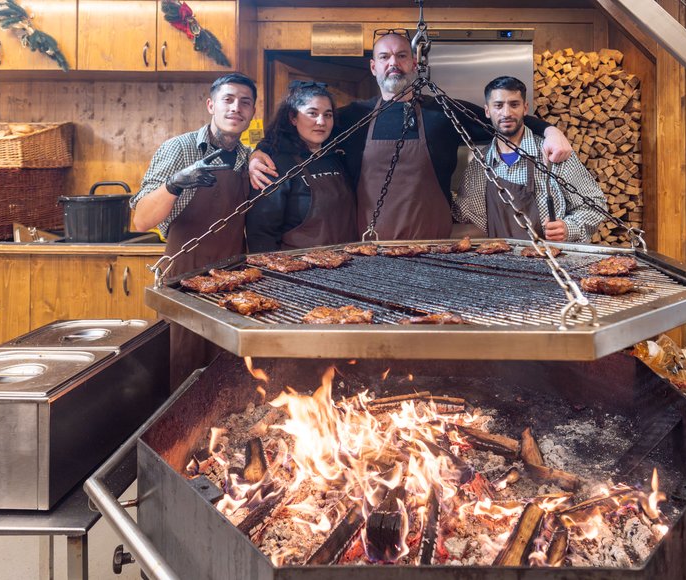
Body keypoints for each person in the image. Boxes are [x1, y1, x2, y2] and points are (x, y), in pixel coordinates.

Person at [249, 30, 573, 241]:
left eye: (402, 56)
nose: (394, 63)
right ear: (373, 67)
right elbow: (296, 133)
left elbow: (502, 118)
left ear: (415, 63)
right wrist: (259, 152)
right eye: (385, 57)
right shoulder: (351, 117)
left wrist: (549, 130)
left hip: (435, 248)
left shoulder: (442, 111)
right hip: (365, 250)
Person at [130, 72, 257, 389]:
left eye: (245, 102)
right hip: (183, 279)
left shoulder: (247, 157)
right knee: (184, 366)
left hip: (232, 280)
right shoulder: (180, 149)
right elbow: (141, 219)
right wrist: (175, 184)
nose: (235, 108)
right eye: (228, 100)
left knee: (227, 371)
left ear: (252, 112)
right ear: (211, 104)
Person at [453, 76, 607, 242]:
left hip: (552, 261)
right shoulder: (479, 165)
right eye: (498, 105)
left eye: (514, 104)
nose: (506, 113)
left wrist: (569, 228)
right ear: (487, 111)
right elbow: (463, 213)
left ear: (525, 108)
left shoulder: (553, 154)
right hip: (499, 262)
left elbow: (595, 205)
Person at [245, 80, 357, 251]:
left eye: (328, 115)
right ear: (293, 118)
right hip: (298, 268)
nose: (321, 122)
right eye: (312, 113)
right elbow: (261, 233)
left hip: (346, 264)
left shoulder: (338, 157)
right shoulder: (273, 164)